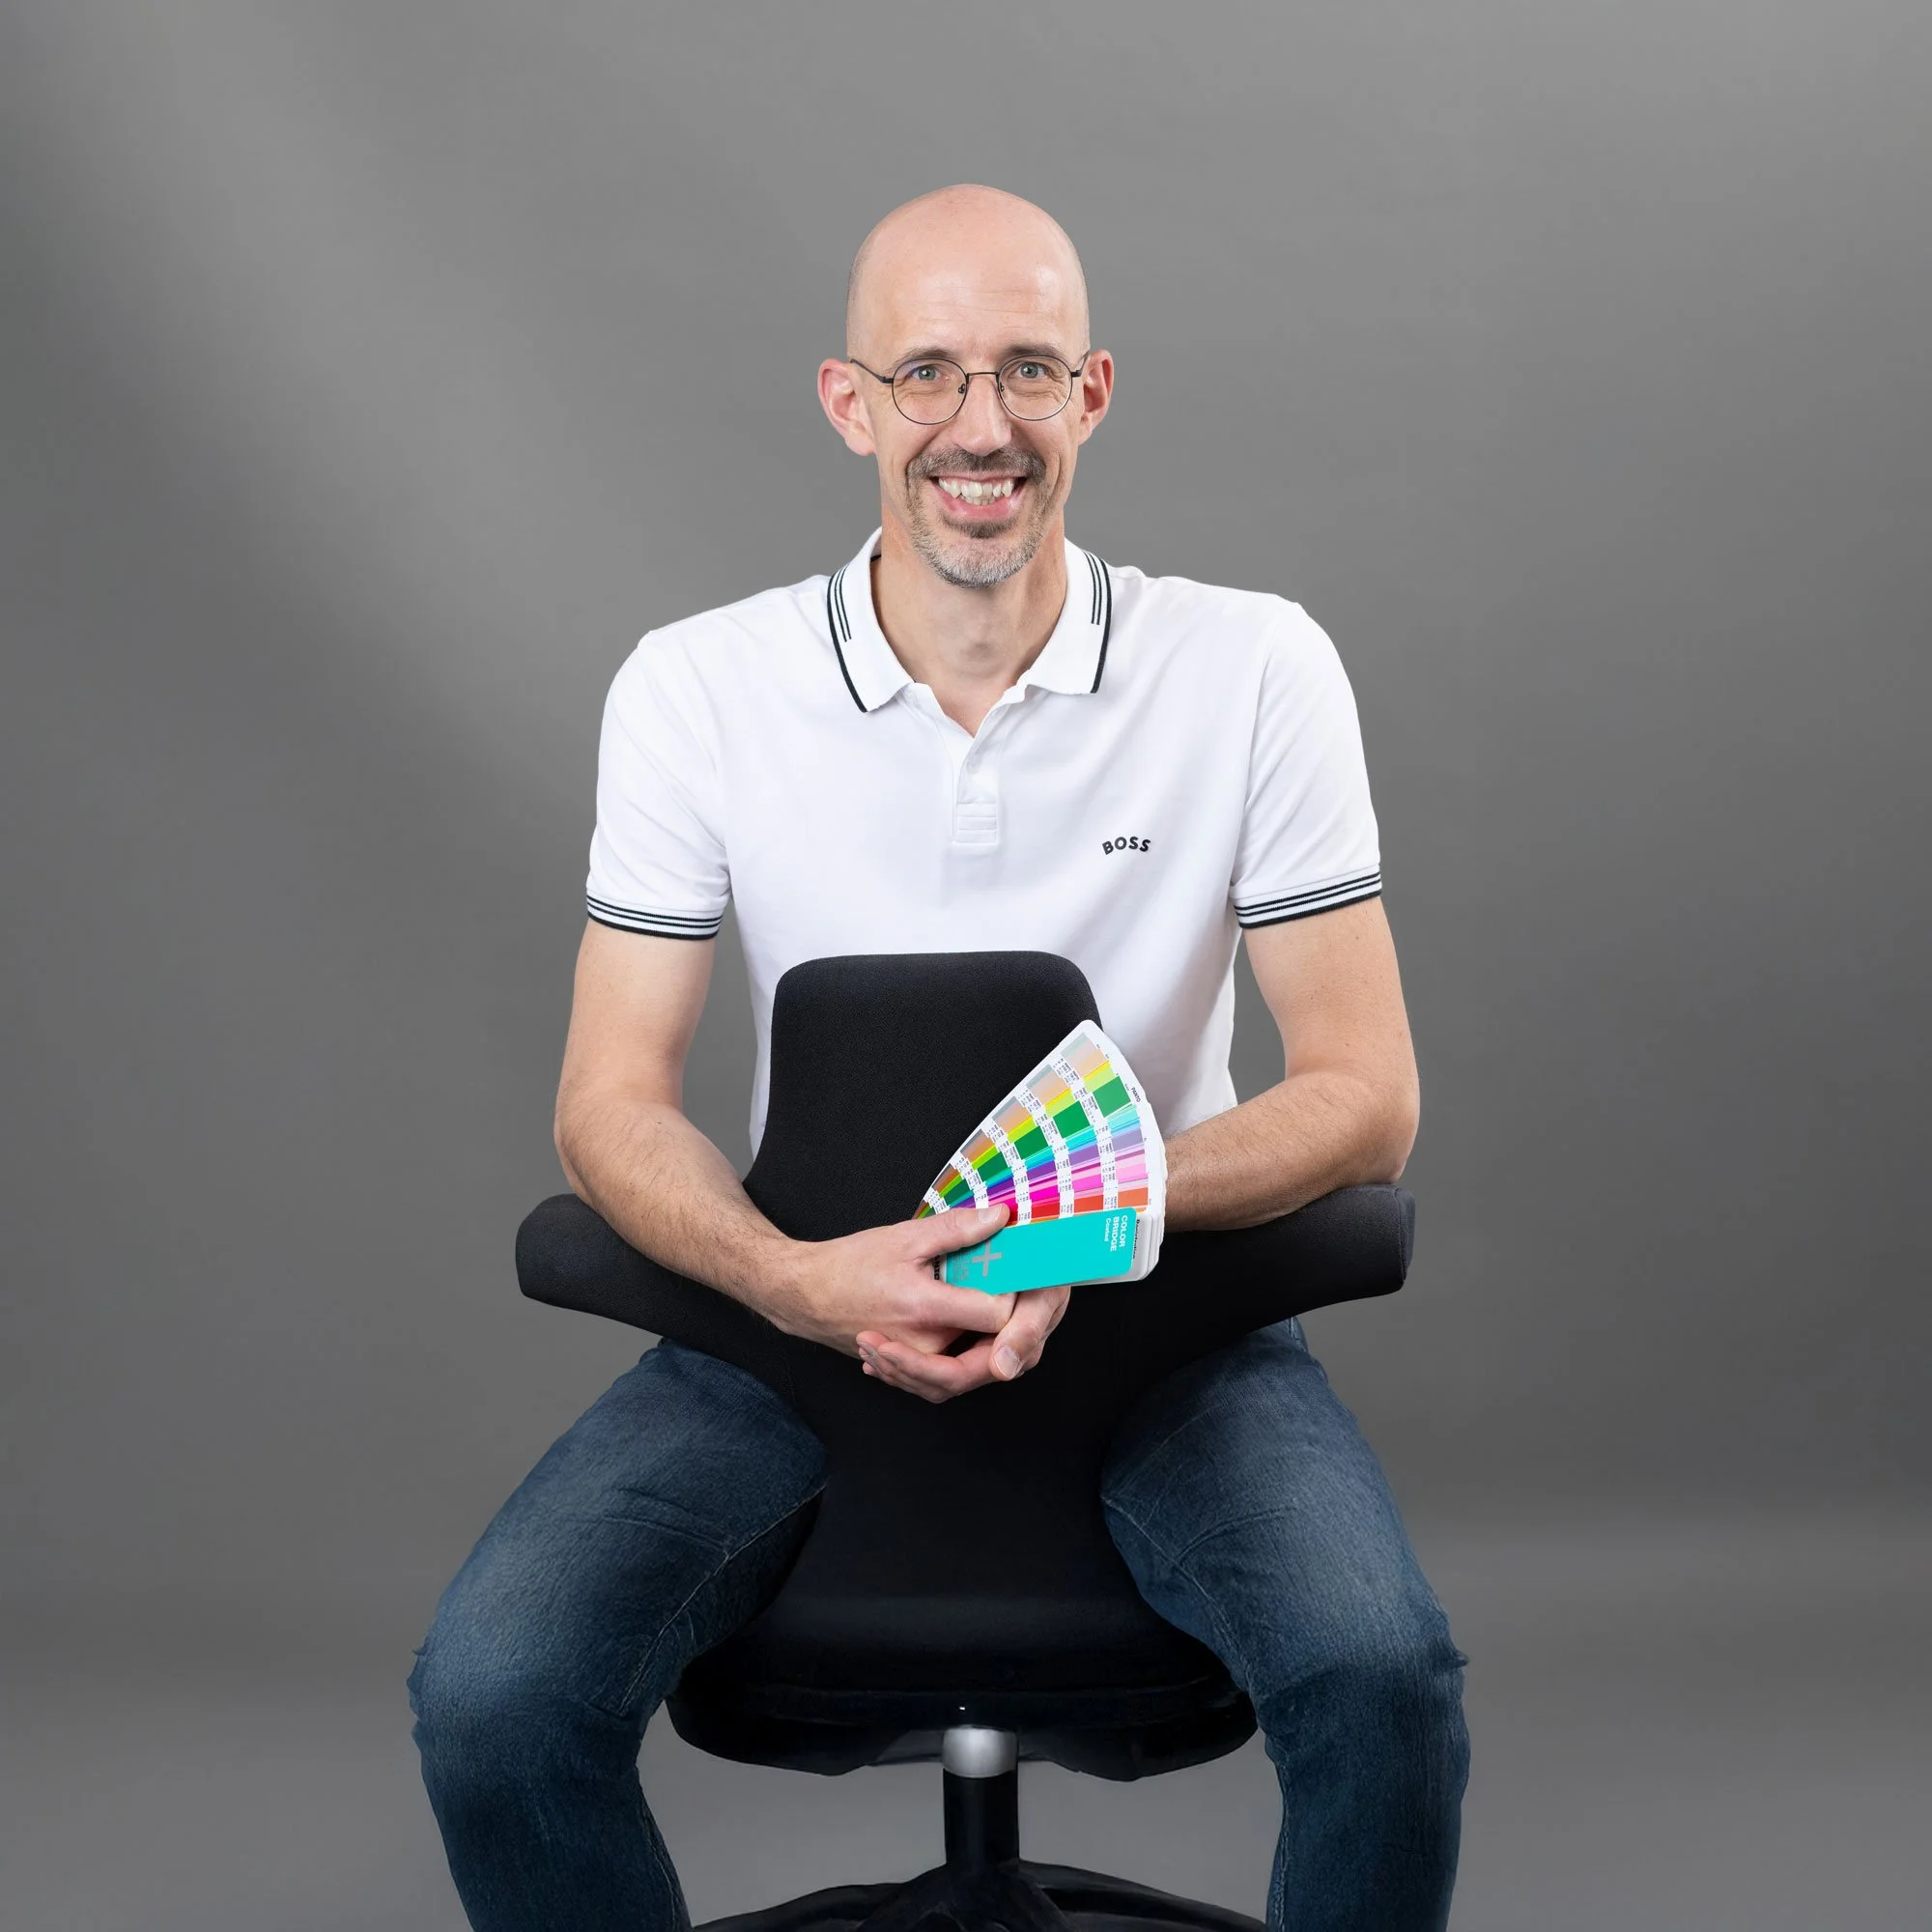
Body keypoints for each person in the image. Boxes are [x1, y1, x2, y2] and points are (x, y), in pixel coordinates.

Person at [409, 184, 1470, 1932]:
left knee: (1386, 1683)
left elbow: (1367, 1093)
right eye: (928, 374)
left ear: (1094, 394)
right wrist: (792, 1280)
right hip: (787, 1329)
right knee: (495, 1698)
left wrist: (1086, 1217)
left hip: (1167, 1330)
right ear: (852, 402)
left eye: (1028, 372)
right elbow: (608, 1097)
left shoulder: (1253, 669)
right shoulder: (699, 689)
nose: (981, 428)